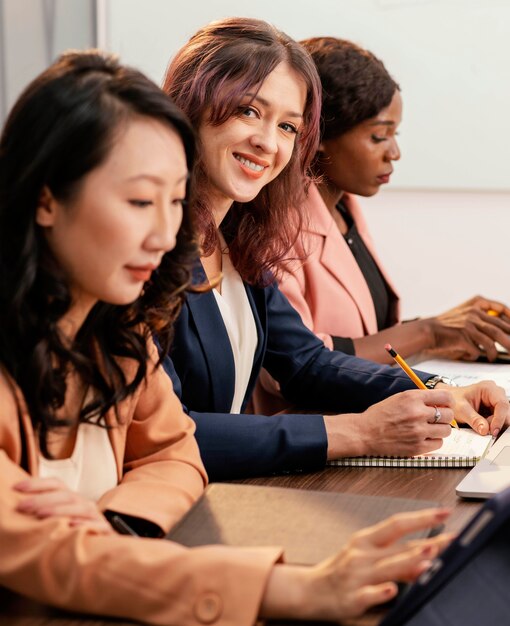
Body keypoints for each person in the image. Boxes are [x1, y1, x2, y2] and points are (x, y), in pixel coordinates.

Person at [0, 48, 457, 626]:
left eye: (173, 202)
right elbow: (51, 552)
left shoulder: (114, 337)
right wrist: (292, 589)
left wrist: (119, 520)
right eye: (141, 202)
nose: (165, 233)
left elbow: (174, 451)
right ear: (45, 198)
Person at [161, 17, 510, 481]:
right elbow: (169, 431)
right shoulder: (148, 251)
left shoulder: (238, 245)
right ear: (192, 106)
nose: (268, 142)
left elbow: (306, 362)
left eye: (288, 126)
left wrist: (444, 392)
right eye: (249, 111)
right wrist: (358, 433)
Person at [270, 36, 510, 365]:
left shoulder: (344, 210)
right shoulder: (276, 229)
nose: (394, 153)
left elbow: (371, 336)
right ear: (318, 134)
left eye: (395, 135)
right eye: (379, 136)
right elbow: (297, 363)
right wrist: (429, 332)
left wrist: (449, 334)